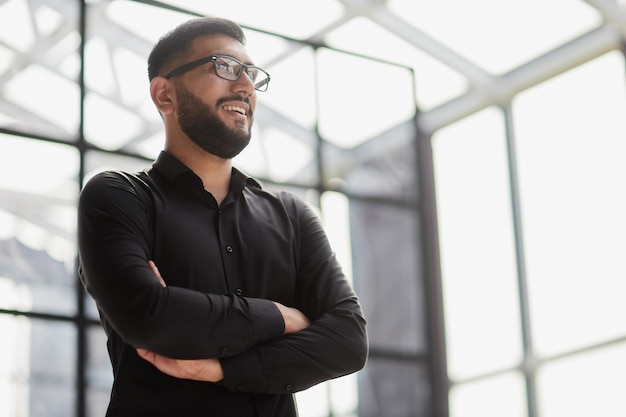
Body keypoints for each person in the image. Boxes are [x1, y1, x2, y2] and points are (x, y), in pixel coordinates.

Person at [77, 16, 368, 417]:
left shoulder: (292, 216)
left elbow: (348, 341)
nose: (245, 85)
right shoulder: (119, 196)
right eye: (224, 66)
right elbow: (150, 316)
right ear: (165, 95)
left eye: (251, 73)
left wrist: (221, 367)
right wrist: (280, 317)